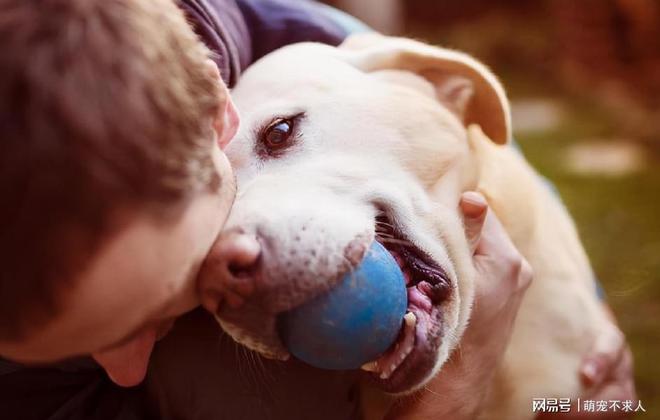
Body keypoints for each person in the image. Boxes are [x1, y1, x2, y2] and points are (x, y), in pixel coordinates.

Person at [0, 0, 634, 419]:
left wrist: (593, 335)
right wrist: (450, 399)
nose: (238, 251)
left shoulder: (315, 46)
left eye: (278, 137)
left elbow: (474, 145)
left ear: (215, 116)